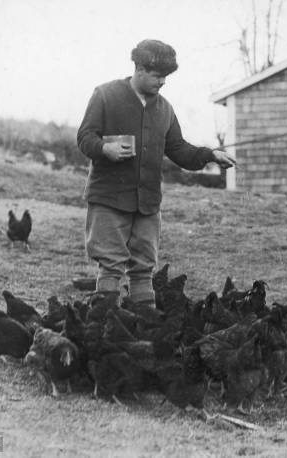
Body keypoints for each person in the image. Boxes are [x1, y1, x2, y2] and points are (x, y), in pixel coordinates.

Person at [77, 39, 235, 309]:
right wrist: (106, 148)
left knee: (143, 268)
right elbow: (84, 137)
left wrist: (210, 155)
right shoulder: (105, 95)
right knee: (110, 265)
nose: (162, 82)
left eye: (165, 77)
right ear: (138, 68)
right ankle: (104, 328)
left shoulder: (165, 109)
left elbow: (179, 149)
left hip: (147, 202)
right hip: (109, 198)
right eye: (157, 75)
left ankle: (144, 328)